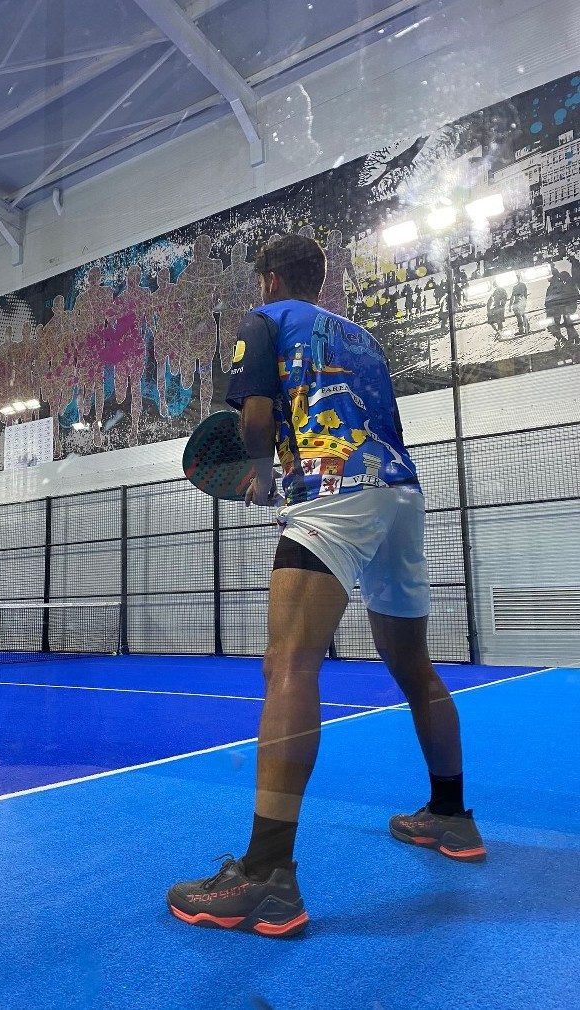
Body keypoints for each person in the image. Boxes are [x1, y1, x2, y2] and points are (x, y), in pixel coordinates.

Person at [167, 235, 485, 938]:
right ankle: (452, 817)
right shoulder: (363, 338)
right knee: (414, 666)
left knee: (288, 663)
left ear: (270, 278)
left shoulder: (264, 320)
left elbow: (255, 420)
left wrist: (262, 474)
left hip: (333, 491)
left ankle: (266, 875)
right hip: (400, 493)